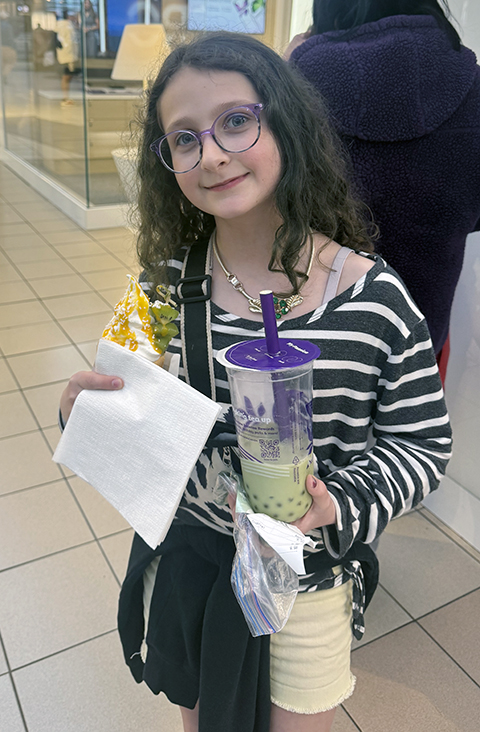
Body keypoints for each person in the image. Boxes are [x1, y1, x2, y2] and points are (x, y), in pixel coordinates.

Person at [59, 33, 452, 732]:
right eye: (184, 138)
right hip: (196, 563)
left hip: (308, 581)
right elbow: (123, 409)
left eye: (237, 121)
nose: (211, 154)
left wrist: (338, 503)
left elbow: (421, 446)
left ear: (287, 125)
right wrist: (83, 412)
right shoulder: (158, 290)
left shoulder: (375, 300)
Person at [285, 0, 480, 382]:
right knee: (415, 417)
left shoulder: (296, 82)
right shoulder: (472, 84)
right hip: (421, 334)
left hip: (309, 339)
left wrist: (281, 67)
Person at [55, 10, 80, 106]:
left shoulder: (68, 26)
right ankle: (65, 97)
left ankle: (66, 97)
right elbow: (62, 41)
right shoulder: (65, 26)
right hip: (66, 55)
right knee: (66, 76)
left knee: (68, 76)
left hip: (69, 55)